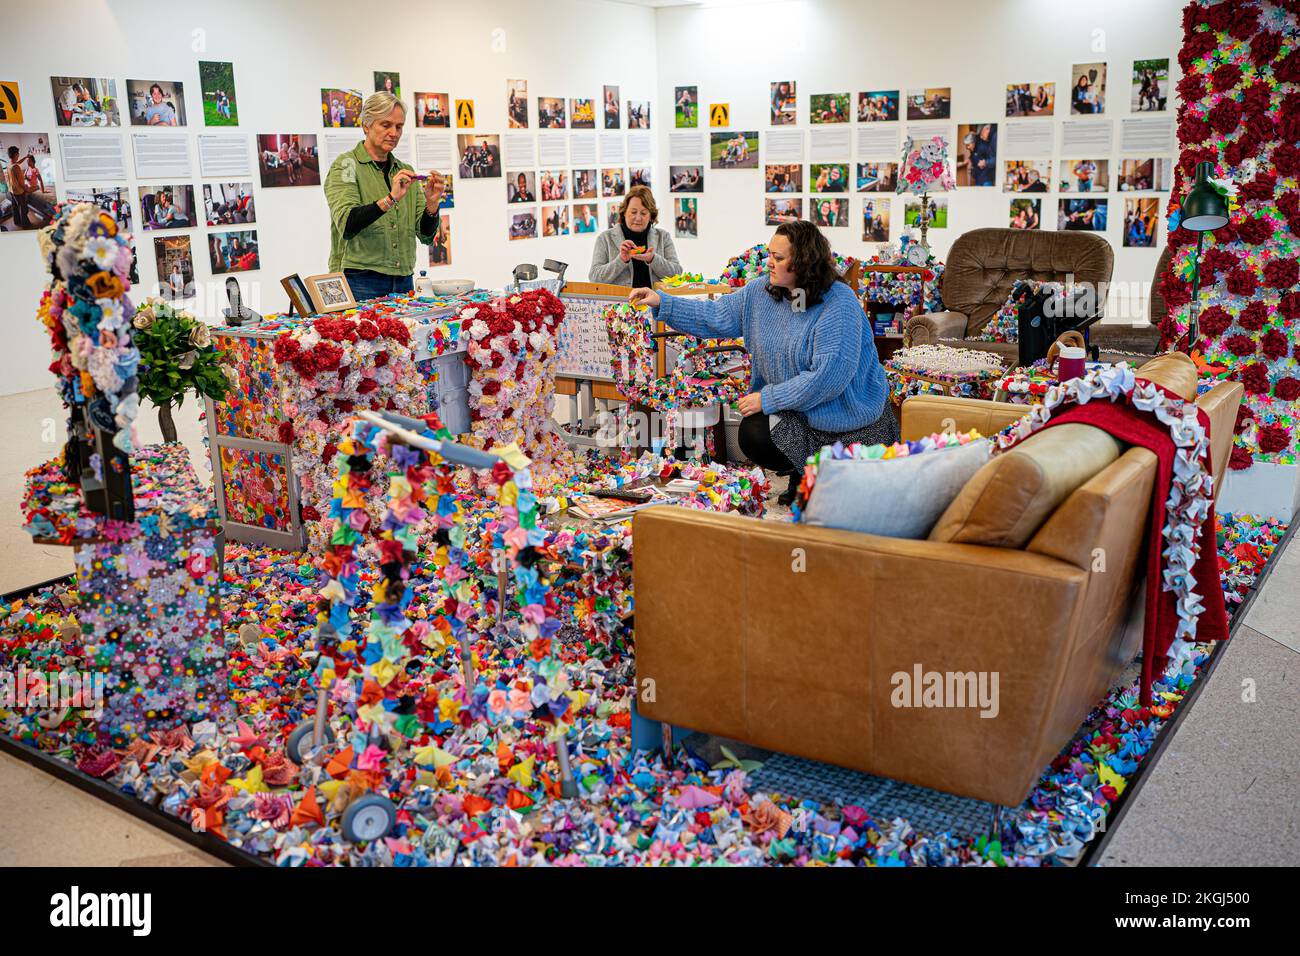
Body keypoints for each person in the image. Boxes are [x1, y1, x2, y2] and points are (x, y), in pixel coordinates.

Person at [628, 219, 895, 506]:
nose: (769, 263)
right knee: (753, 432)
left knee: (845, 497)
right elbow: (717, 315)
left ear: (804, 262)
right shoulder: (761, 292)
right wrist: (662, 302)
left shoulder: (839, 303)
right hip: (799, 410)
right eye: (769, 254)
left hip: (847, 416)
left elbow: (826, 379)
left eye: (778, 258)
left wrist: (767, 398)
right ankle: (803, 471)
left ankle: (824, 474)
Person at [324, 91, 445, 302]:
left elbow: (425, 235)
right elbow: (347, 222)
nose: (394, 133)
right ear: (366, 125)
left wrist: (432, 205)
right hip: (359, 279)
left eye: (399, 127)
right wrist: (390, 199)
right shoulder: (347, 165)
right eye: (386, 125)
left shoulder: (405, 170)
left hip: (404, 279)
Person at [588, 184, 682, 287]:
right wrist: (621, 260)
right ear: (624, 212)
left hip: (655, 302)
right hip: (620, 302)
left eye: (643, 213)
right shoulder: (605, 238)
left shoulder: (663, 237)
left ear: (651, 216)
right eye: (633, 212)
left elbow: (677, 273)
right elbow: (594, 278)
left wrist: (653, 259)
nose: (638, 218)